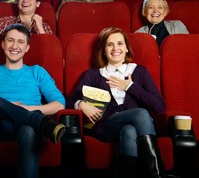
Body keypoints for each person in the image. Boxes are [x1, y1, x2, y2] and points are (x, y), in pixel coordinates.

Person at [0, 24, 66, 178]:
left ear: (27, 47)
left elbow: (59, 103)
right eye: (10, 40)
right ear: (3, 44)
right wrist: (6, 107)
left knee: (28, 129)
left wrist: (28, 109)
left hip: (27, 126)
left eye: (20, 42)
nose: (14, 46)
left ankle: (31, 120)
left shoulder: (37, 71)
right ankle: (39, 122)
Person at [67, 27, 167, 178]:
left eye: (120, 43)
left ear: (126, 48)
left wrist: (130, 87)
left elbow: (159, 106)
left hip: (134, 128)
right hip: (107, 126)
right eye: (109, 44)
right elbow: (69, 101)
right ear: (103, 49)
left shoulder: (139, 71)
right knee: (141, 113)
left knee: (129, 130)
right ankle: (159, 175)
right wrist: (80, 104)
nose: (115, 48)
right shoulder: (94, 75)